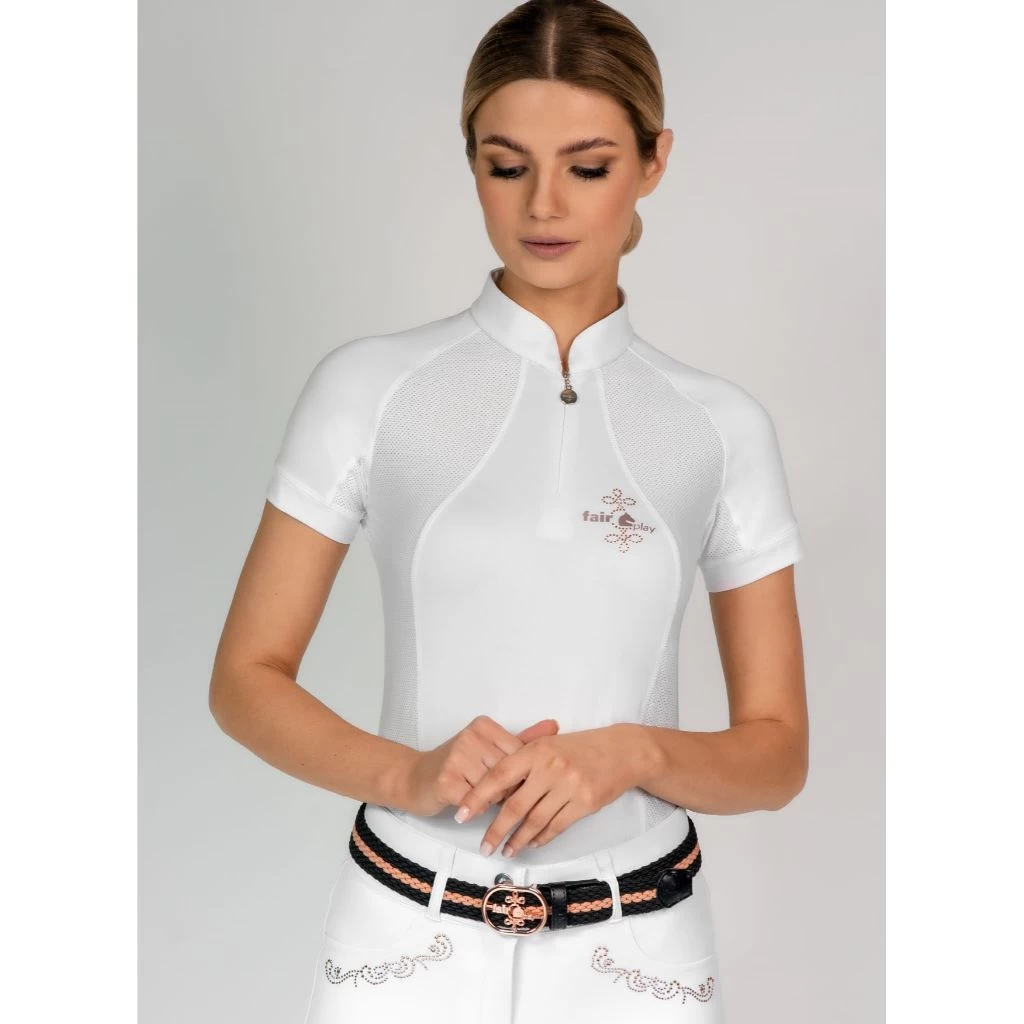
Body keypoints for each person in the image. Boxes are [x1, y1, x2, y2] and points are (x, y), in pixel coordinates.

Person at [209, 1, 808, 1021]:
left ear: (653, 162)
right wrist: (408, 773)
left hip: (638, 955)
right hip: (405, 940)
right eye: (505, 164)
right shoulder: (370, 389)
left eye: (588, 166)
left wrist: (636, 752)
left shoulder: (719, 427)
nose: (543, 204)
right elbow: (244, 680)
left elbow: (777, 752)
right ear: (471, 161)